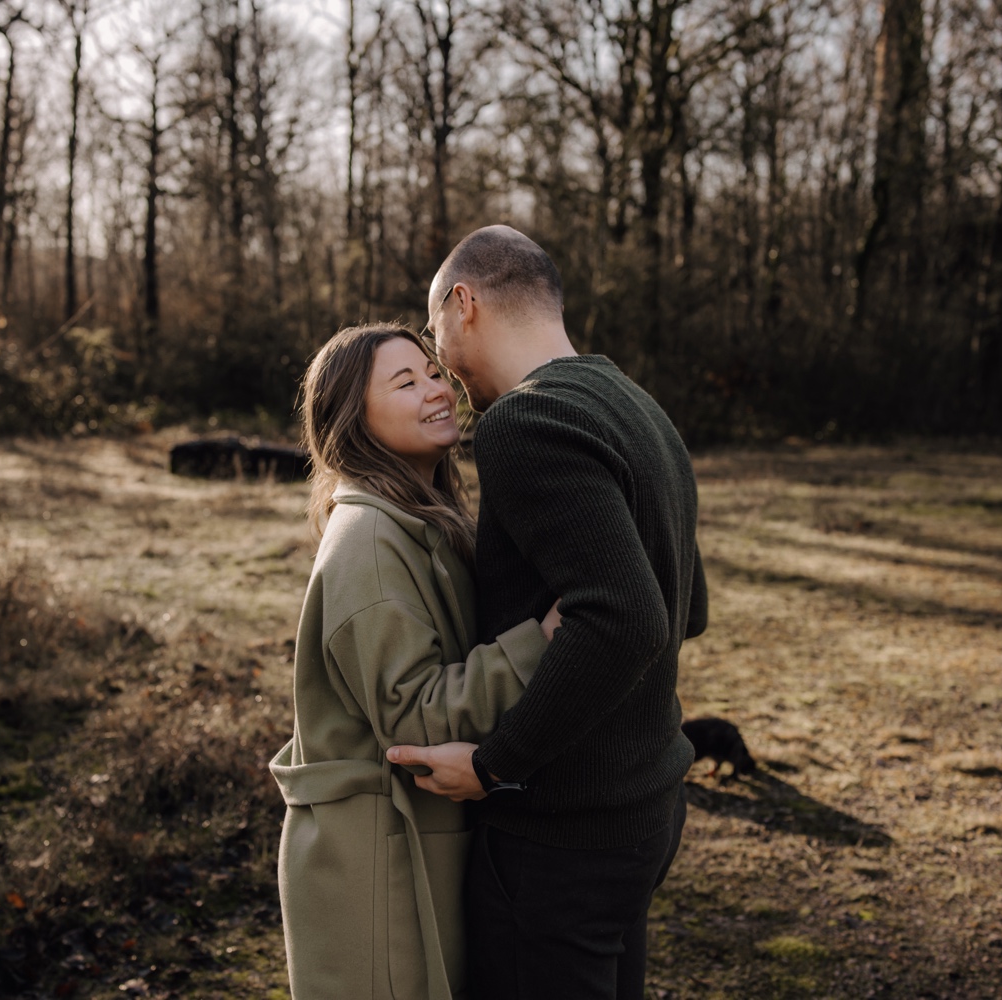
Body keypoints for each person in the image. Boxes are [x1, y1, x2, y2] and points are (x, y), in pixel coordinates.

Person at [387, 225, 709, 1000]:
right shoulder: (633, 402)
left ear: (464, 304)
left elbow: (630, 619)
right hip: (647, 807)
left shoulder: (523, 423)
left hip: (563, 833)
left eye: (435, 333)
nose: (442, 369)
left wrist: (498, 765)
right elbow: (684, 606)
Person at [269, 322, 561, 1000]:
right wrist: (535, 644)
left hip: (416, 840)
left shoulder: (419, 516)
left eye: (434, 373)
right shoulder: (369, 543)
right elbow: (415, 716)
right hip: (374, 862)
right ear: (354, 419)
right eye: (406, 382)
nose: (438, 391)